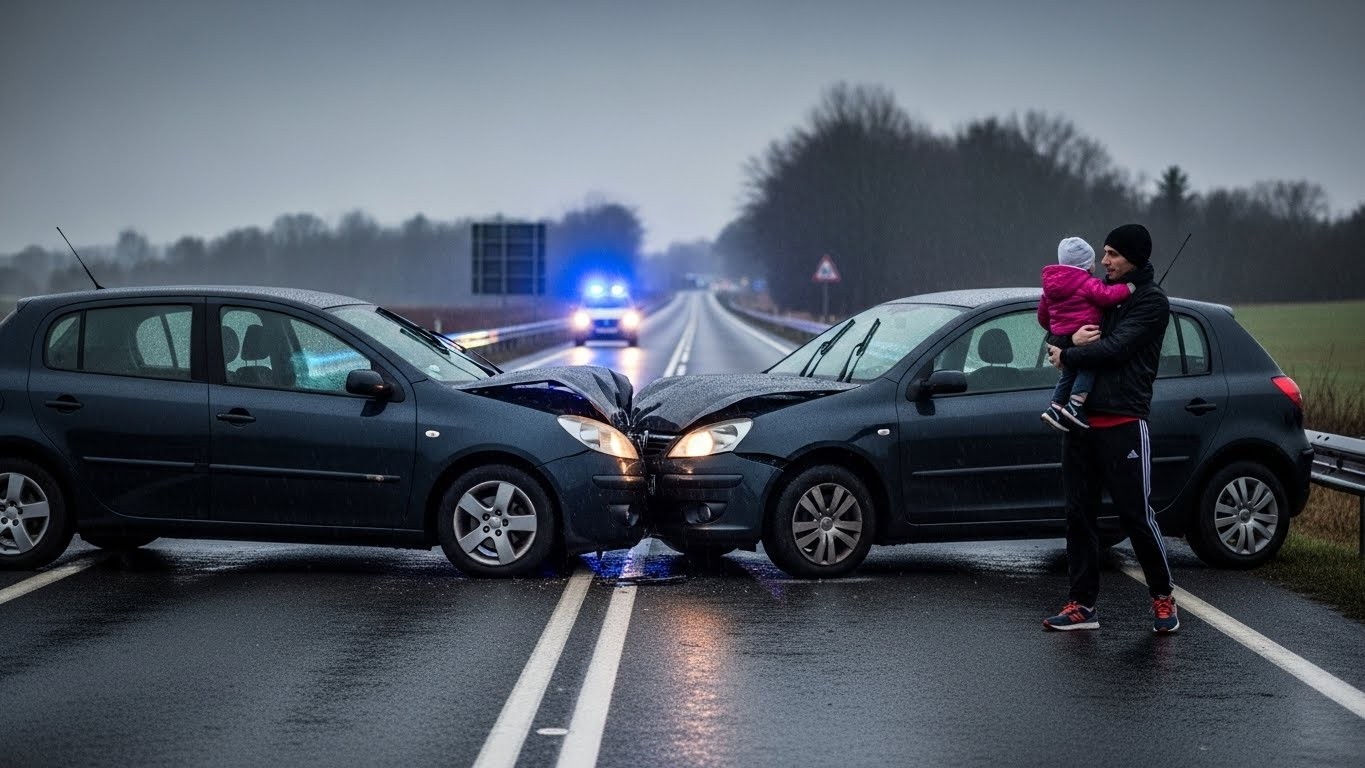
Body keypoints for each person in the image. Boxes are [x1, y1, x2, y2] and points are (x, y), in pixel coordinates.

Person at [1041, 223, 1180, 634]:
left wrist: (1068, 353)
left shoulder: (1151, 302)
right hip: (1079, 423)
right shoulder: (1097, 291)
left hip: (1124, 422)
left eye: (1112, 254)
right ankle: (1082, 605)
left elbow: (1115, 349)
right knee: (1078, 516)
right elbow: (1058, 329)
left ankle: (1163, 597)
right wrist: (1067, 343)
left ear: (1134, 257)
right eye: (1103, 253)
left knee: (1136, 517)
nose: (1104, 261)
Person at [1038, 236, 1135, 432]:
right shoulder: (1087, 283)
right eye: (1092, 261)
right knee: (1088, 366)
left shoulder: (1049, 289)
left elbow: (1043, 318)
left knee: (1068, 373)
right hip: (1087, 336)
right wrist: (1128, 288)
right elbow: (1108, 296)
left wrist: (1059, 329)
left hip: (1061, 336)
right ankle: (1075, 404)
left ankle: (1055, 407)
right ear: (1087, 265)